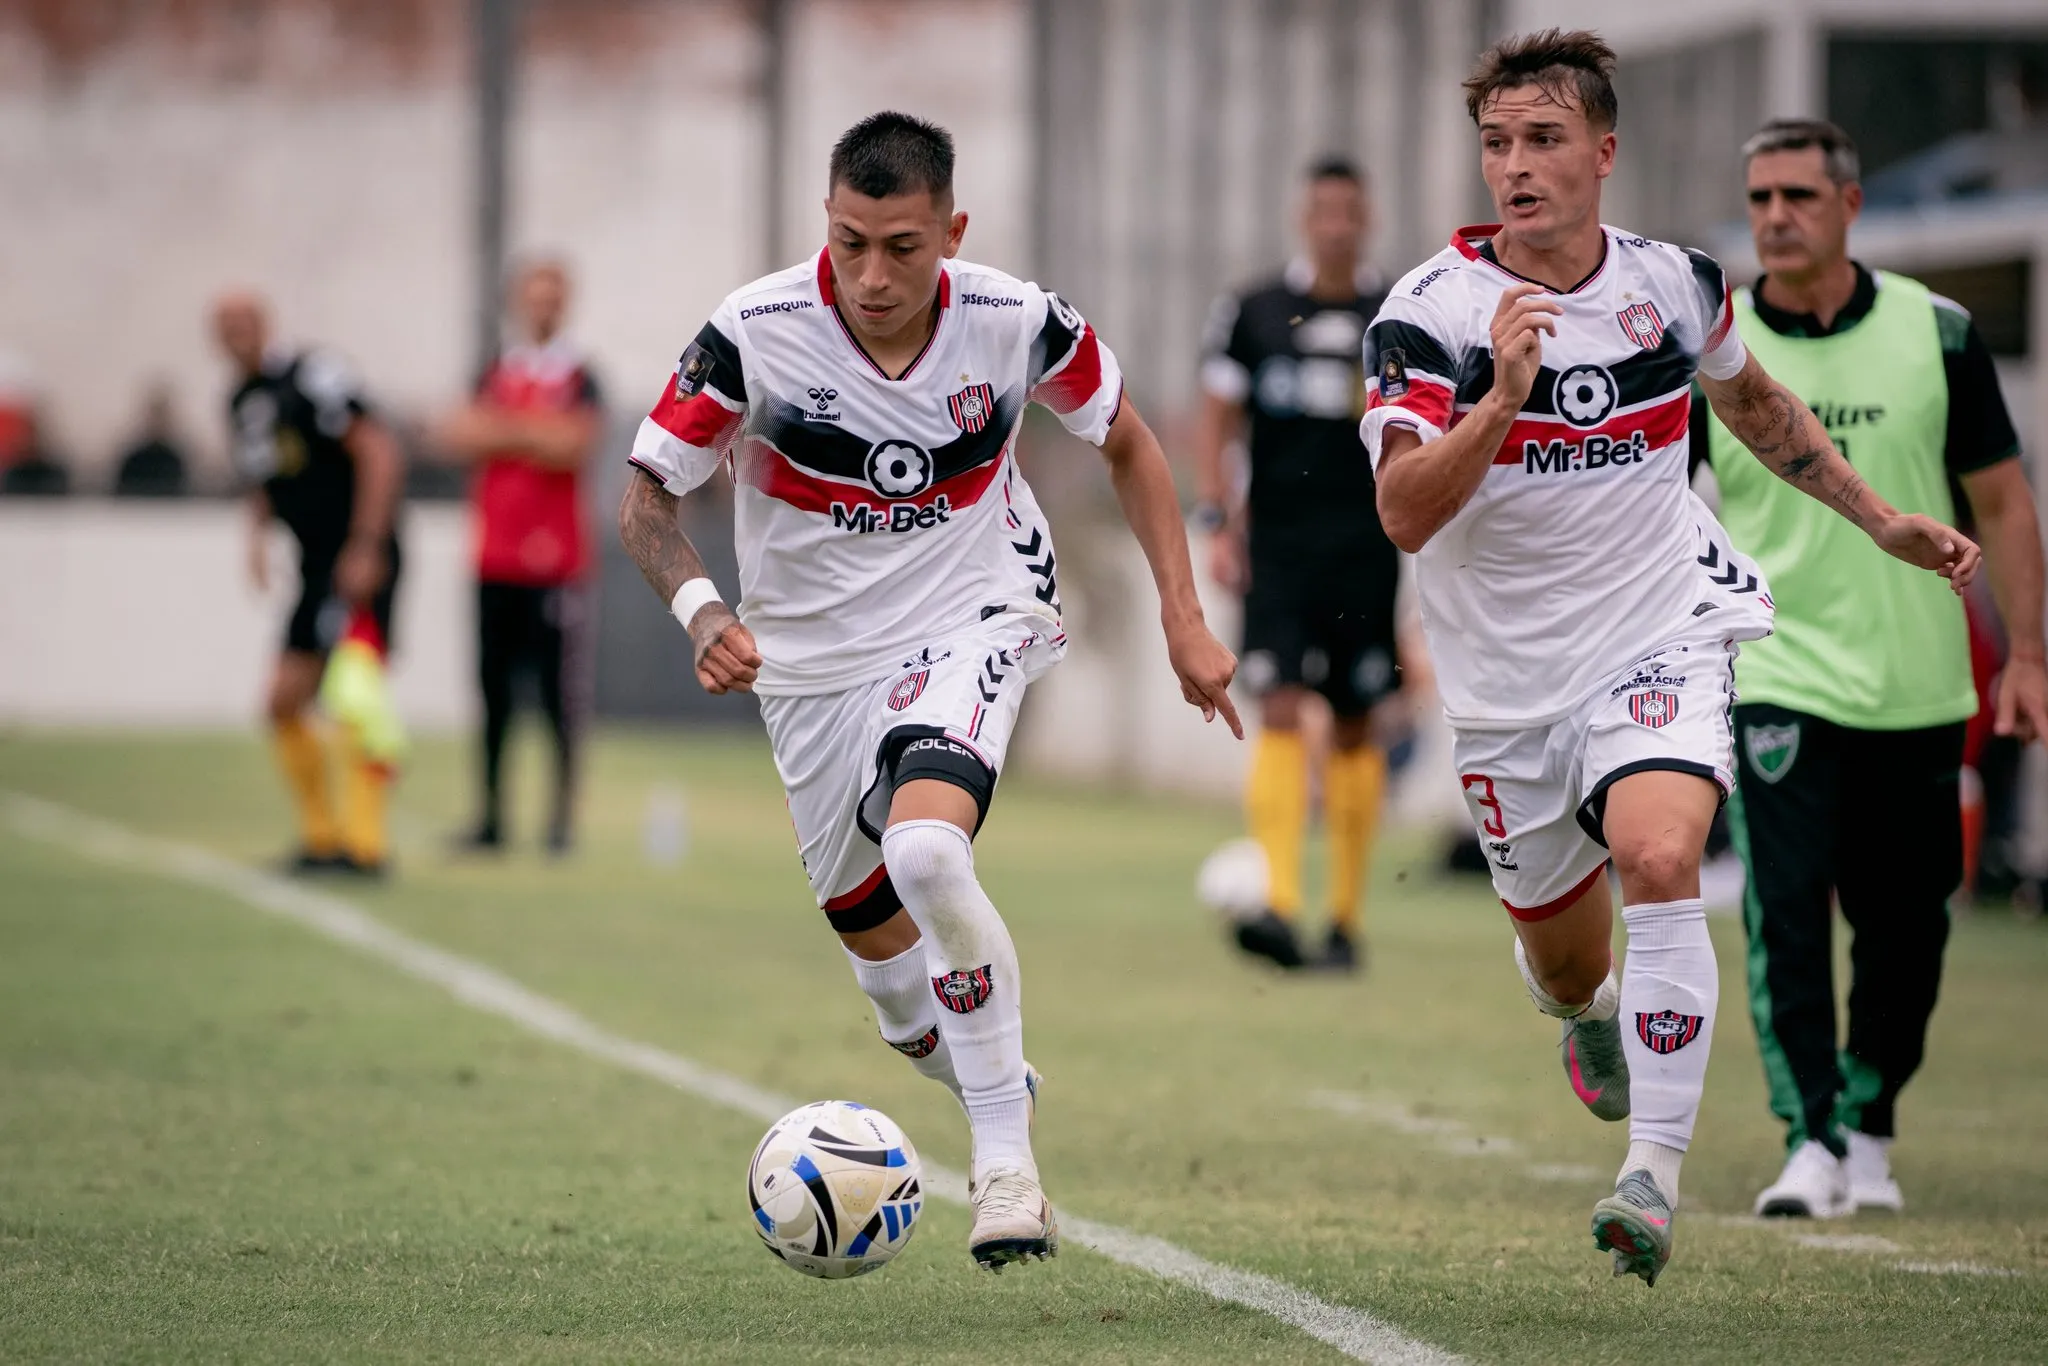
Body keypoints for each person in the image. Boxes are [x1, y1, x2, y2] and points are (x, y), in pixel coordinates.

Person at [1360, 31, 1978, 1285]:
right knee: (1564, 955)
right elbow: (1405, 512)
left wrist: (1878, 519)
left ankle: (1649, 1175)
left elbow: (1752, 407)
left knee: (1657, 853)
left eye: (1542, 141)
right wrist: (1497, 400)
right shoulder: (1428, 314)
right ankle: (1584, 1015)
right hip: (1503, 689)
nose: (1517, 168)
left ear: (1602, 150)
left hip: (1659, 626)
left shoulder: (1676, 285)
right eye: (1496, 144)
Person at [617, 112, 1239, 1269]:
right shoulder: (753, 334)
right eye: (850, 242)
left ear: (951, 232)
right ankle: (994, 1068)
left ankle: (1003, 1168)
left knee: (927, 855)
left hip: (974, 613)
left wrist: (1183, 615)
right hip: (807, 666)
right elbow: (648, 495)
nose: (872, 275)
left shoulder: (1017, 320)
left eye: (902, 247)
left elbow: (1132, 443)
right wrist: (704, 613)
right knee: (901, 1001)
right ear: (826, 223)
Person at [1693, 119, 2046, 1219]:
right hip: (1773, 674)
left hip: (1917, 679)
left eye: (1796, 195)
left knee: (1907, 925)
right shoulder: (1716, 344)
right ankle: (1807, 1140)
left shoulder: (1935, 333)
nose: (1773, 218)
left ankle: (1871, 1121)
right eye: (1757, 198)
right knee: (1784, 911)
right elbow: (1652, 502)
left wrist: (2025, 654)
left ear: (1848, 206)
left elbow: (1999, 499)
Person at [1195, 157, 1399, 973]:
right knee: (1278, 703)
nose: (1336, 225)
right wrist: (1217, 517)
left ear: (1366, 217)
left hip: (1368, 546)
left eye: (1349, 211)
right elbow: (1216, 417)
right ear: (1303, 218)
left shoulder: (1398, 313)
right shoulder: (1252, 311)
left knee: (1354, 719)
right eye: (1323, 210)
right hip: (1277, 547)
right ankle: (1278, 903)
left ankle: (1345, 919)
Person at [214, 292, 405, 875]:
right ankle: (323, 840)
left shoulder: (313, 374)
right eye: (224, 326)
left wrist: (366, 544)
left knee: (356, 702)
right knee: (282, 702)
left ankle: (365, 848)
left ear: (266, 322)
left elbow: (379, 449)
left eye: (244, 321)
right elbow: (264, 475)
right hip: (315, 564)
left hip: (358, 553)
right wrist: (256, 536)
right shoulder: (243, 401)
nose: (235, 334)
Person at [435, 258, 604, 855]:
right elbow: (455, 434)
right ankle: (491, 818)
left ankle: (559, 823)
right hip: (494, 558)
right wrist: (533, 431)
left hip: (555, 562)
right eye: (533, 295)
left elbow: (573, 445)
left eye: (551, 296)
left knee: (559, 699)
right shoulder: (495, 368)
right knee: (493, 693)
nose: (541, 307)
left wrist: (502, 430)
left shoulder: (581, 374)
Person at [114, 382, 191, 498]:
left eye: (162, 415)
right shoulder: (134, 459)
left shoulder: (177, 458)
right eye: (155, 415)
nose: (158, 421)